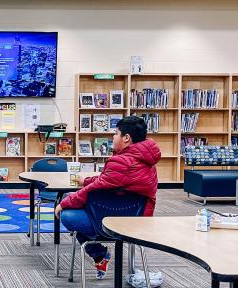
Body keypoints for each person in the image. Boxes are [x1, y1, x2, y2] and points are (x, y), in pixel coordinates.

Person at [55, 115, 160, 279]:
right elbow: (108, 180)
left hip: (115, 221)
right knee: (75, 202)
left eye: (116, 133)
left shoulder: (122, 162)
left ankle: (98, 253)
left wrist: (64, 203)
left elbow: (94, 189)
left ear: (126, 138)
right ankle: (99, 254)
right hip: (138, 219)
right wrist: (87, 181)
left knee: (67, 214)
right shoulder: (146, 161)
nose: (113, 137)